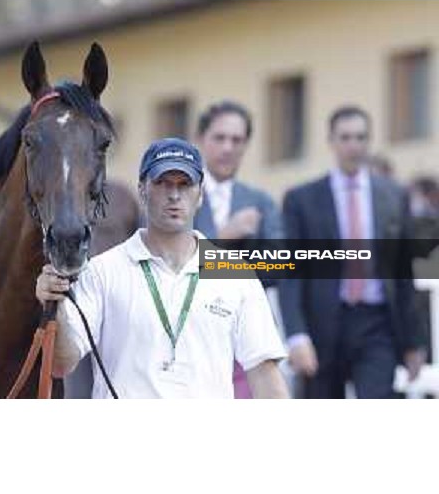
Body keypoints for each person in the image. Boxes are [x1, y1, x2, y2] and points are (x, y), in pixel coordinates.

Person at [35, 137, 289, 398]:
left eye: (185, 184)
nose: (174, 195)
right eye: (162, 183)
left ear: (200, 194)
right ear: (142, 190)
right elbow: (60, 364)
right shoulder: (102, 271)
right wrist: (58, 305)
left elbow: (265, 374)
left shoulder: (234, 273)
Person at [278, 106, 426, 399]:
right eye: (345, 137)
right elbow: (291, 271)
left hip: (377, 324)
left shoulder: (393, 195)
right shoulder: (302, 199)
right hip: (322, 324)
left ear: (369, 141)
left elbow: (403, 271)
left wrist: (414, 342)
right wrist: (296, 335)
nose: (353, 145)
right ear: (331, 141)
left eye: (360, 137)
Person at [194, 100, 283, 398]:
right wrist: (223, 238)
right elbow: (168, 265)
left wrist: (208, 259)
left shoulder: (261, 201)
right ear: (201, 140)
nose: (228, 147)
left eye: (237, 140)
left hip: (244, 338)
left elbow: (276, 268)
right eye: (220, 138)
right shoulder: (174, 195)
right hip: (189, 336)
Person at [64, 180, 141, 399]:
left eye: (183, 185)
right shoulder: (58, 199)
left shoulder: (122, 198)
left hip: (120, 311)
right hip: (76, 309)